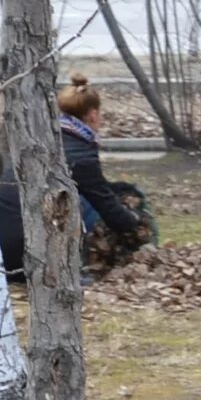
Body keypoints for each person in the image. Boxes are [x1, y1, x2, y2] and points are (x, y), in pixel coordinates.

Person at [52, 75, 153, 270]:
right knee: (87, 206)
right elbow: (106, 205)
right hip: (31, 246)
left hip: (4, 238)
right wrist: (136, 223)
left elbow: (95, 185)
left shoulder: (50, 136)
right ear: (93, 115)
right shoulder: (81, 152)